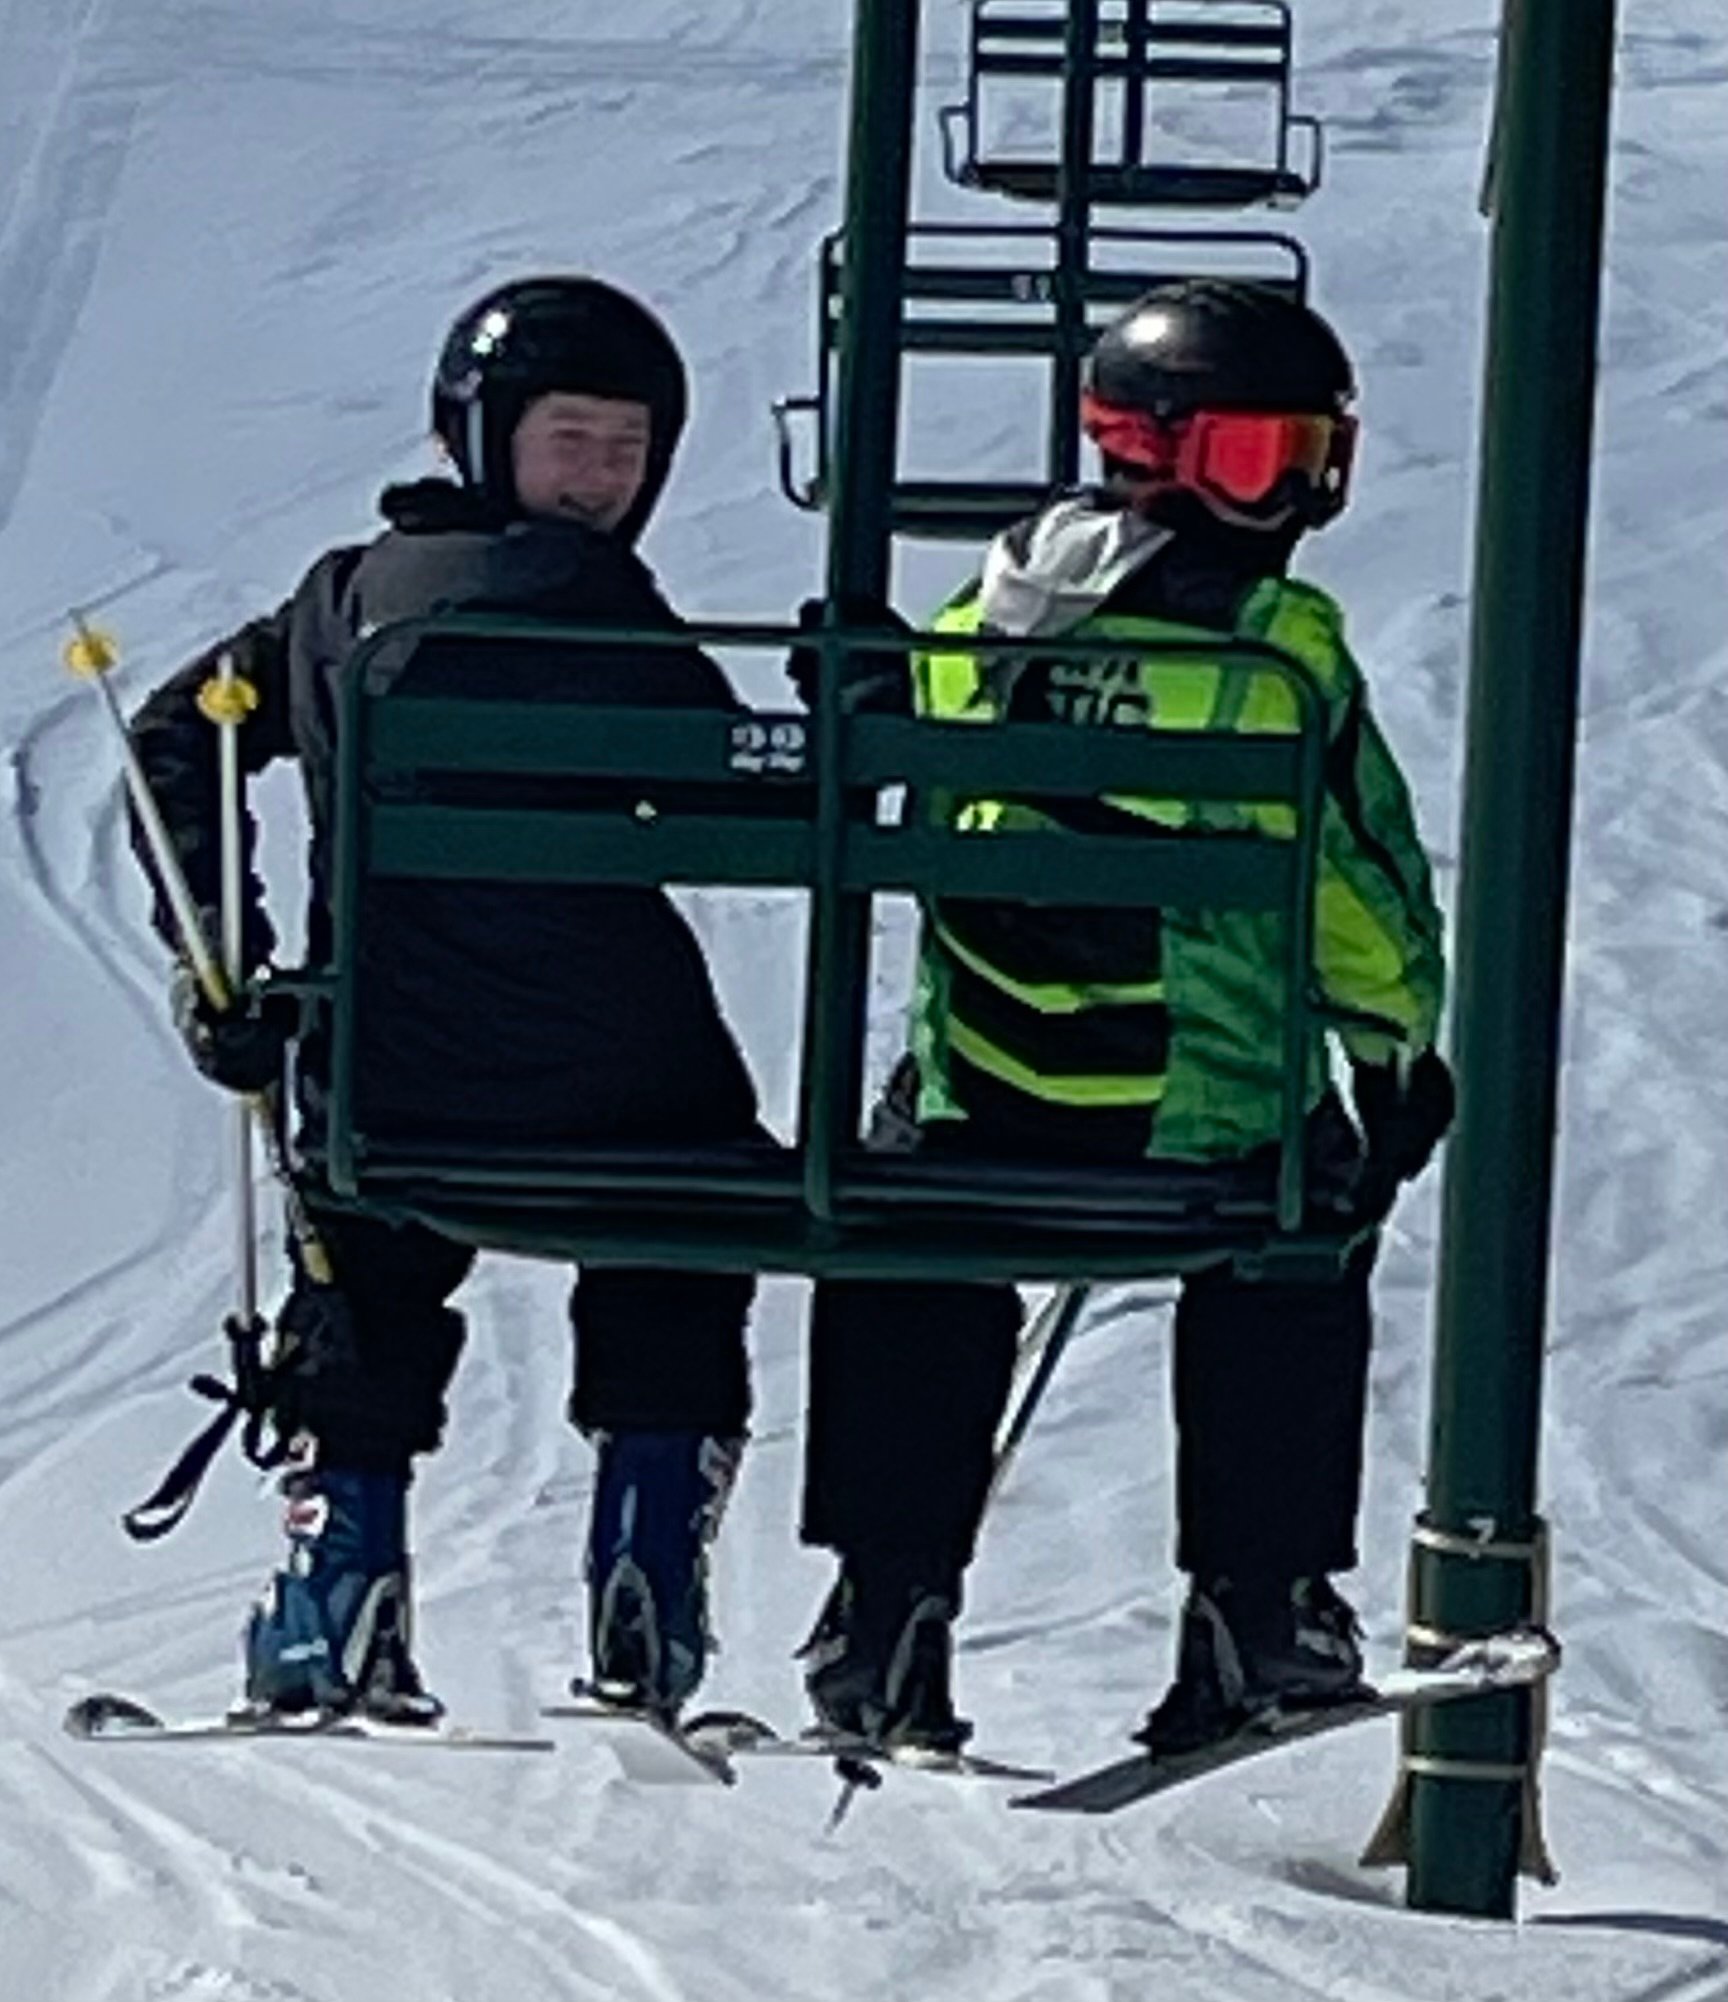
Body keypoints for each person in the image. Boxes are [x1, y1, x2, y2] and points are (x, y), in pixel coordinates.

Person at [795, 278, 1454, 1757]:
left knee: (914, 1217)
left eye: (1289, 459)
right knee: (1306, 1220)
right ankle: (1260, 1600)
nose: (1275, 495)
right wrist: (1395, 1053)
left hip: (977, 1120)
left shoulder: (995, 605)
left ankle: (884, 1601)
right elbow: (1360, 895)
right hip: (1192, 1135)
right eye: (1247, 459)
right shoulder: (1278, 650)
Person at [129, 276, 762, 1724]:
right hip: (627, 1088)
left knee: (358, 1236)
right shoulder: (618, 611)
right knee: (688, 1206)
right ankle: (648, 1566)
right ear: (491, 440)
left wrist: (223, 951)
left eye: (625, 448)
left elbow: (177, 736)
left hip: (391, 1081)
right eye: (574, 441)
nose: (601, 479)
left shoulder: (343, 598)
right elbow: (732, 782)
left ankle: (341, 1583)